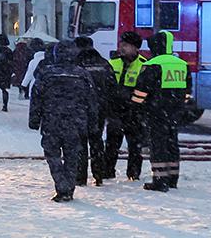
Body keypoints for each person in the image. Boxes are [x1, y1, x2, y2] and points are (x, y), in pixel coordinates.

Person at [28, 40, 98, 202]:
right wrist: (92, 123)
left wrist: (34, 120)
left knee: (52, 155)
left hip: (52, 121)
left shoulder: (46, 73)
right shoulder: (83, 74)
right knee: (72, 156)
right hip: (76, 122)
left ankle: (61, 185)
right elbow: (92, 102)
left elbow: (36, 98)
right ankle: (69, 188)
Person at [132, 30, 188, 192]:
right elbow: (187, 91)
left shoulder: (152, 64)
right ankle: (172, 178)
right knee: (172, 144)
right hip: (174, 113)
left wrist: (136, 107)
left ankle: (159, 180)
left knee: (158, 146)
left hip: (155, 112)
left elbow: (141, 91)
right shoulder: (182, 64)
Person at [104, 31, 145, 181]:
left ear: (135, 48)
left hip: (134, 112)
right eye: (121, 44)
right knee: (112, 144)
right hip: (115, 110)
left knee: (134, 146)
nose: (122, 48)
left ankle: (133, 174)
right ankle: (107, 171)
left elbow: (145, 91)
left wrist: (137, 108)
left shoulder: (143, 65)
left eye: (126, 45)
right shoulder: (112, 63)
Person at [74, 35, 115, 186]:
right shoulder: (104, 63)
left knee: (81, 142)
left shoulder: (76, 63)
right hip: (100, 108)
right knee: (96, 140)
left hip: (81, 108)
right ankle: (98, 174)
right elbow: (112, 86)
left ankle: (80, 176)